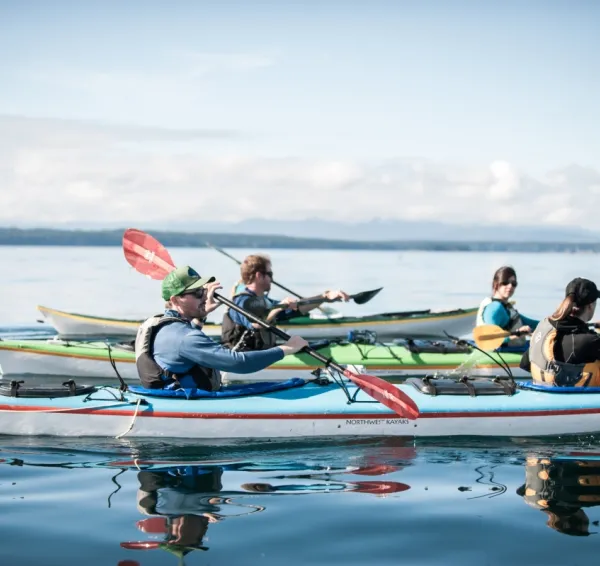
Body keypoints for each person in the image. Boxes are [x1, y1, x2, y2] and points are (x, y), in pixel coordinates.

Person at [135, 265, 308, 390]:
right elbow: (239, 363)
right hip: (185, 401)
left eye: (203, 290)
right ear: (174, 300)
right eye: (196, 293)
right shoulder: (184, 337)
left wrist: (202, 314)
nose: (204, 297)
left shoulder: (169, 326)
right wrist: (287, 348)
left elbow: (184, 347)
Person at [221, 254, 350, 351]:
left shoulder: (264, 302)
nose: (272, 279)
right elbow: (256, 324)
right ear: (259, 276)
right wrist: (278, 308)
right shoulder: (241, 302)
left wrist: (325, 297)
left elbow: (298, 308)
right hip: (242, 358)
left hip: (261, 353)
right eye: (270, 274)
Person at [520, 277, 600, 387]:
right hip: (577, 399)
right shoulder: (590, 341)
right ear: (591, 306)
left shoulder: (545, 329)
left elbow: (525, 363)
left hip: (543, 393)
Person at [476, 266, 539, 347]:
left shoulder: (506, 307)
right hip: (498, 354)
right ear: (496, 284)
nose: (510, 286)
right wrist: (517, 333)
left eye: (513, 283)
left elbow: (531, 323)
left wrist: (553, 323)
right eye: (505, 282)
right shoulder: (494, 308)